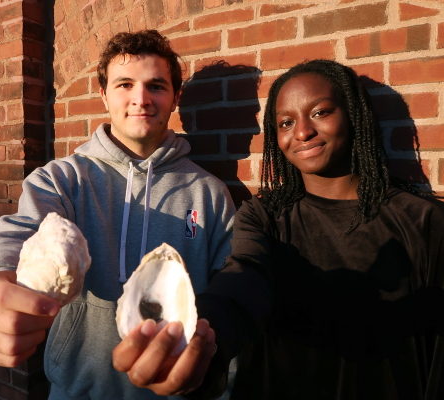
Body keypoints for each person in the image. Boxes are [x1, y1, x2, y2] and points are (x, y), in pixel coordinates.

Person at [112, 59, 444, 400]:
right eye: (286, 122)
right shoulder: (265, 215)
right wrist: (203, 341)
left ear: (353, 115)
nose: (302, 132)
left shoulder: (423, 221)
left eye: (320, 112)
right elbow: (242, 280)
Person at [0, 30, 235, 400]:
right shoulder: (62, 178)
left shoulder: (211, 193)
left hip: (177, 392)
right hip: (77, 391)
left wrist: (215, 366)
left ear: (175, 98)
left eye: (156, 86)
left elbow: (231, 293)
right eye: (125, 84)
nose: (141, 99)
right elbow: (20, 233)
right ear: (103, 94)